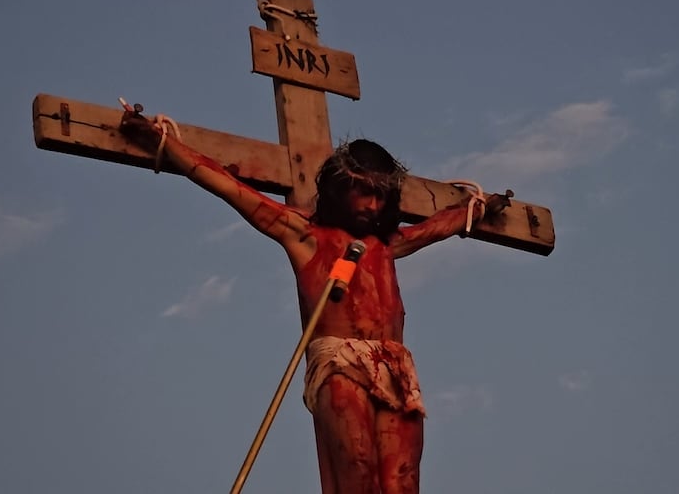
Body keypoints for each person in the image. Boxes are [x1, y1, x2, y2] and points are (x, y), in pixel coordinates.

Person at [124, 117, 505, 494]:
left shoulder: (387, 244)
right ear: (340, 188)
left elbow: (440, 225)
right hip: (339, 360)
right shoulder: (303, 233)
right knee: (357, 473)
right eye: (362, 191)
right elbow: (229, 186)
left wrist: (480, 208)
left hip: (395, 366)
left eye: (379, 196)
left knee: (401, 483)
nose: (371, 205)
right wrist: (162, 142)